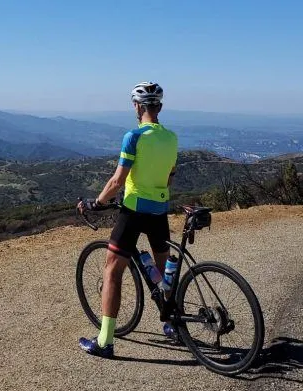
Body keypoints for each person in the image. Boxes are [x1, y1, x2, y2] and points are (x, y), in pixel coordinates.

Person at [77, 81, 178, 358]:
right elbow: (169, 176)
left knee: (112, 271)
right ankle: (172, 323)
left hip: (134, 211)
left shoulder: (133, 136)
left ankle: (105, 341)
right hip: (160, 210)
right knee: (163, 272)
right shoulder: (171, 138)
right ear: (159, 106)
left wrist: (96, 202)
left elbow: (117, 180)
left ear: (137, 106)